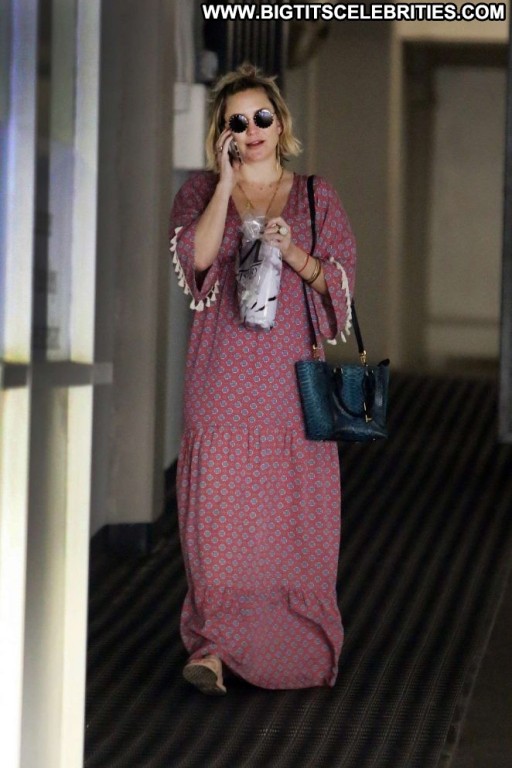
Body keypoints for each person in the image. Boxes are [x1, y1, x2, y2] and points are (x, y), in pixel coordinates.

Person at [169, 63, 356, 695]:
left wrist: (294, 252)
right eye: (237, 122)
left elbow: (341, 287)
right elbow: (196, 260)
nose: (251, 130)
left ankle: (291, 643)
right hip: (220, 381)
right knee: (217, 523)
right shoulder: (200, 193)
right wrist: (225, 185)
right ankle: (214, 648)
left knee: (289, 521)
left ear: (281, 125)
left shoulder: (316, 197)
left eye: (261, 118)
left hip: (290, 385)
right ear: (222, 134)